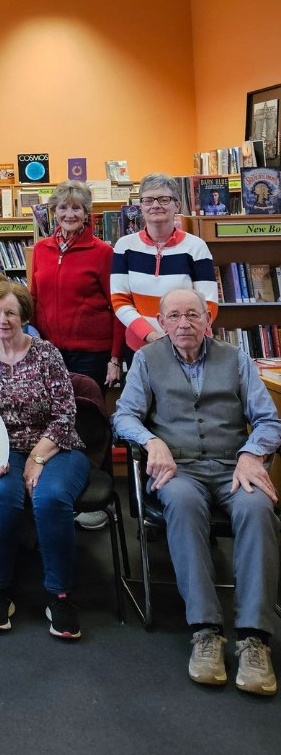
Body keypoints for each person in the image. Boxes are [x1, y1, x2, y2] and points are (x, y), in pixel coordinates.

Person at [113, 288, 281, 695]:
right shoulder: (147, 361)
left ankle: (254, 638)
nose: (184, 323)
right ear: (162, 323)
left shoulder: (238, 360)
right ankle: (205, 630)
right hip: (180, 468)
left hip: (231, 466)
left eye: (193, 315)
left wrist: (251, 454)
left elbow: (268, 421)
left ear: (208, 320)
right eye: (174, 316)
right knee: (184, 506)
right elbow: (124, 416)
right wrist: (152, 442)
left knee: (258, 508)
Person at [0, 281, 89, 638]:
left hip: (58, 447)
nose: (3, 319)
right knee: (2, 497)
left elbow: (66, 414)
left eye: (10, 312)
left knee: (50, 498)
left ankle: (60, 595)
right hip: (2, 452)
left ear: (23, 315)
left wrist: (37, 458)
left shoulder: (47, 354)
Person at [30, 181, 122, 392]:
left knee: (86, 416)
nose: (69, 214)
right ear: (54, 211)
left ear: (86, 212)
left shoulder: (102, 252)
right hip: (48, 350)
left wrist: (115, 359)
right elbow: (33, 300)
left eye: (76, 208)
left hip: (91, 355)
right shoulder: (40, 249)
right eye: (63, 207)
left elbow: (118, 308)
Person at [111, 173, 218, 353]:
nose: (155, 205)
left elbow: (209, 303)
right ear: (141, 206)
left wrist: (178, 338)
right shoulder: (124, 246)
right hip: (140, 347)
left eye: (164, 199)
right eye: (148, 200)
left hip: (187, 347)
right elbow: (120, 301)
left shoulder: (195, 247)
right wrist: (151, 336)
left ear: (177, 205)